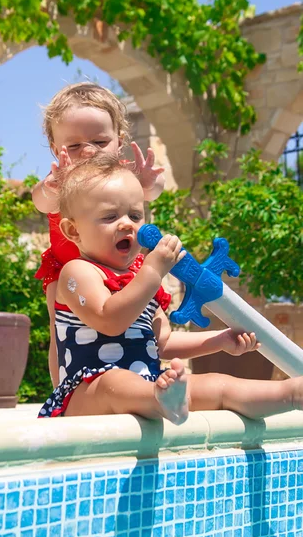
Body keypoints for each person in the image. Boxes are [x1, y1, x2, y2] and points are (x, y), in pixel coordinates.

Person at [38, 153, 303, 423]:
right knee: (112, 383)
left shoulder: (140, 280)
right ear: (74, 232)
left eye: (135, 214)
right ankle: (160, 400)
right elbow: (109, 320)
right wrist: (152, 272)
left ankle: (291, 393)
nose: (127, 223)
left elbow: (162, 342)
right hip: (85, 394)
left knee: (216, 384)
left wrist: (218, 341)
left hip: (151, 385)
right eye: (109, 216)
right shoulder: (78, 272)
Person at [32, 82, 166, 388]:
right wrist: (52, 186)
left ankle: (147, 375)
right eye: (74, 146)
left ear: (118, 140)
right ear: (56, 149)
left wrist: (146, 182)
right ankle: (62, 388)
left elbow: (153, 191)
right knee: (58, 327)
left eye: (99, 141)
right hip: (68, 268)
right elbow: (39, 201)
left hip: (117, 262)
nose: (88, 151)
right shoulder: (61, 179)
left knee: (145, 317)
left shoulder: (120, 176)